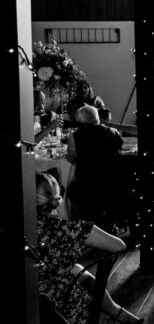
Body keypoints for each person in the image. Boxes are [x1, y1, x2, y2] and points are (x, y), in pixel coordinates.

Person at [35, 172, 142, 324]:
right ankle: (120, 314)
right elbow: (119, 245)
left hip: (35, 304)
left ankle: (120, 314)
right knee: (75, 270)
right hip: (66, 308)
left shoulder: (24, 232)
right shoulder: (72, 229)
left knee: (75, 269)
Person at [66, 105, 124, 229]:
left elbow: (71, 158)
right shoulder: (113, 132)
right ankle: (108, 222)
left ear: (80, 121)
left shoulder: (75, 136)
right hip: (111, 181)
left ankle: (84, 225)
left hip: (86, 182)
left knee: (70, 190)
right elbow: (118, 152)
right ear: (96, 117)